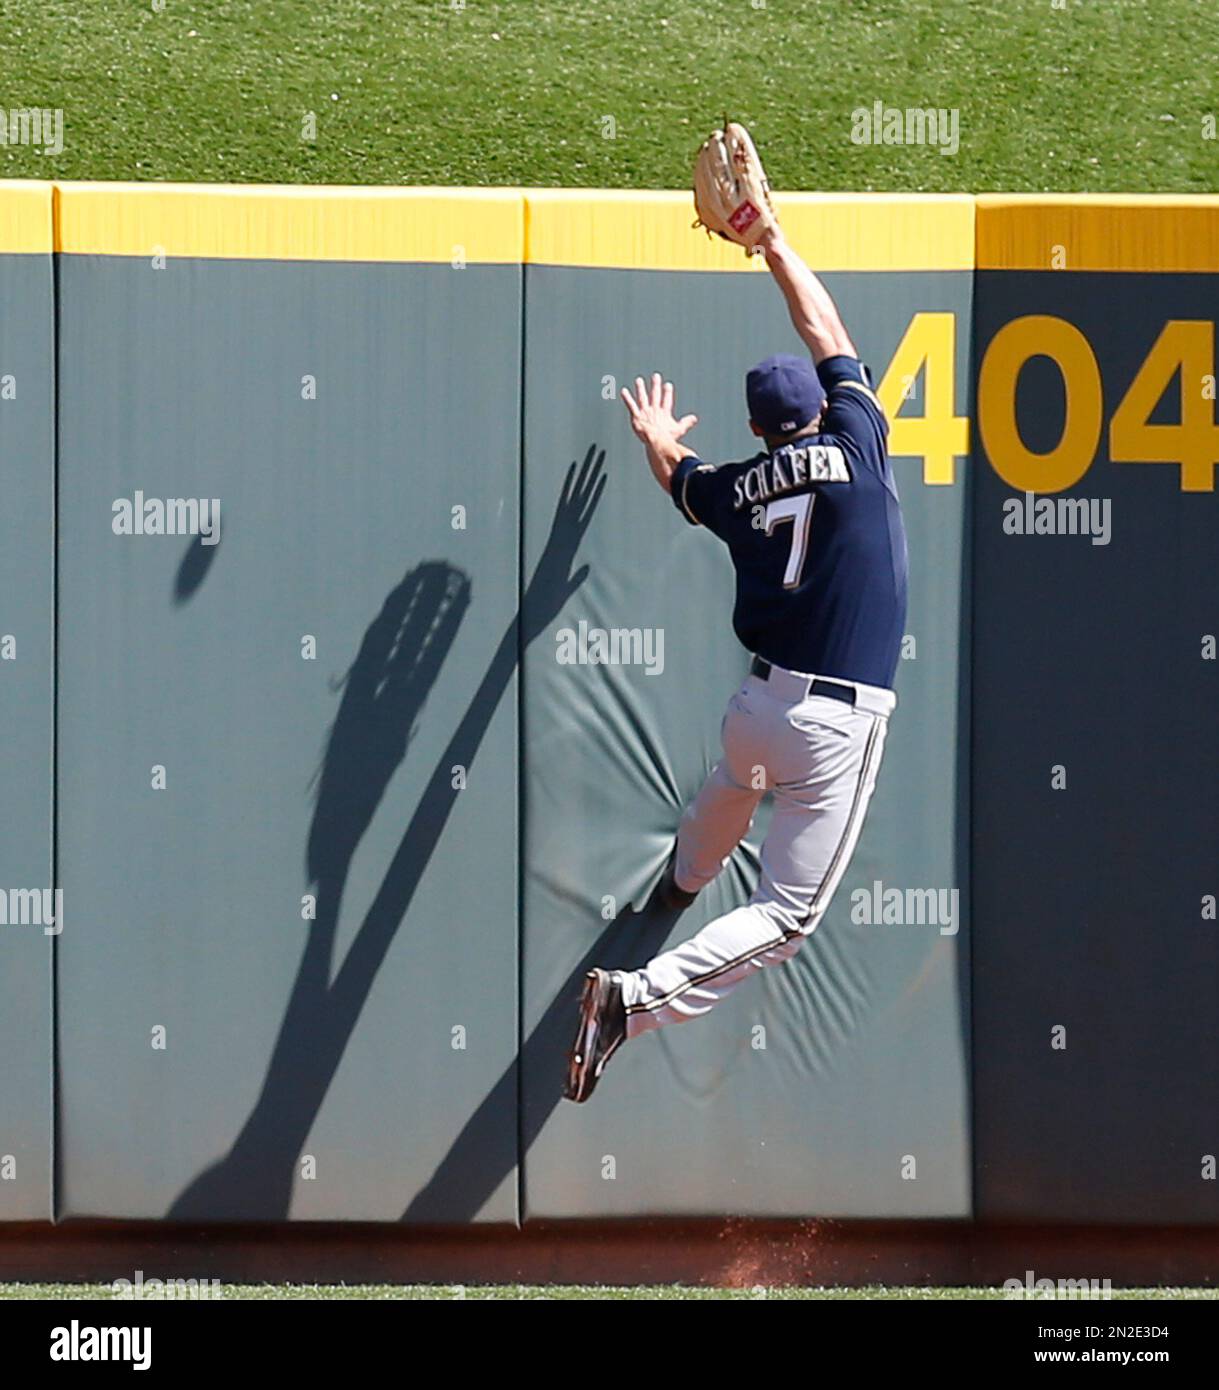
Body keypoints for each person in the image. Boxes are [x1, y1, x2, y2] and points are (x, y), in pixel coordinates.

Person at [564, 223, 908, 1103]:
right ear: (824, 408)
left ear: (758, 429)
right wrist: (771, 243)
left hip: (758, 712)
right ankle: (632, 1001)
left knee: (736, 779)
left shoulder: (734, 489)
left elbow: (678, 474)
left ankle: (684, 878)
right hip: (834, 725)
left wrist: (654, 433)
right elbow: (823, 328)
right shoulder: (858, 440)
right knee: (786, 917)